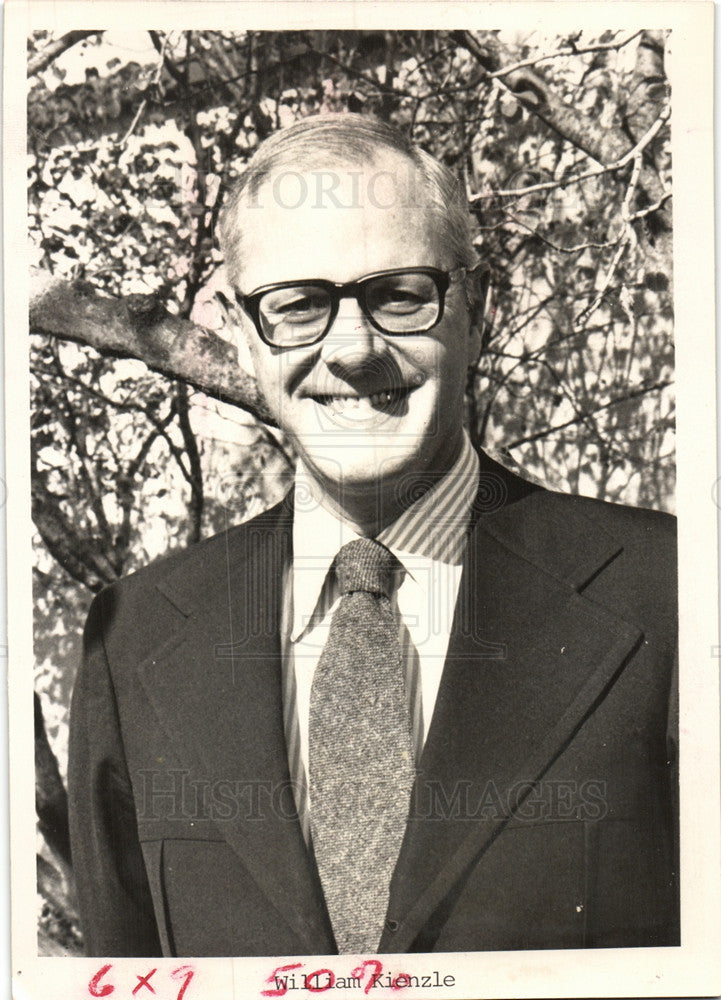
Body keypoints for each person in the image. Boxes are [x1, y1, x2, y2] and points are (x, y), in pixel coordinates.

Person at [68, 113, 679, 957]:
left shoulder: (672, 591)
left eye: (397, 294)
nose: (352, 348)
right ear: (243, 332)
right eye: (298, 305)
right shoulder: (130, 640)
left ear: (478, 303)